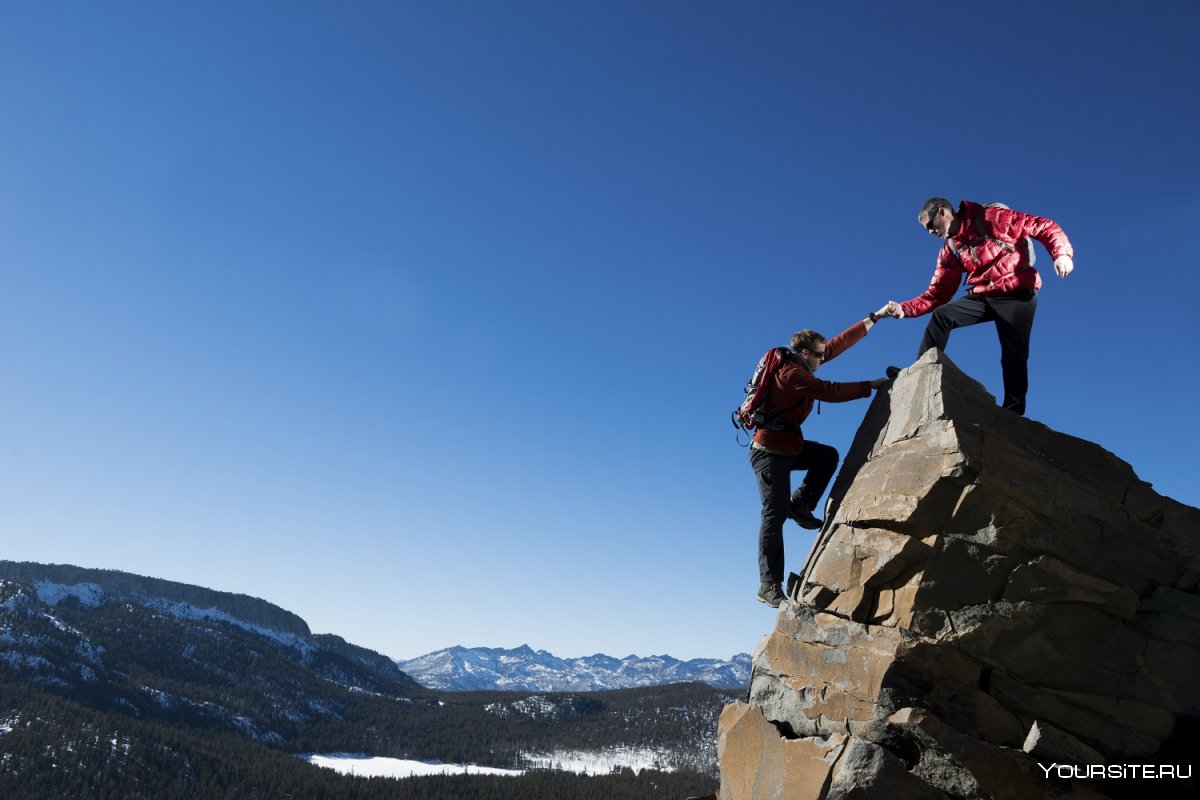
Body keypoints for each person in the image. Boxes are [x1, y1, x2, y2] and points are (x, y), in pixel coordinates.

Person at [881, 198, 1074, 415]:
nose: (930, 232)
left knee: (1014, 354)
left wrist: (1061, 254)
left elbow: (1044, 226)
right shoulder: (951, 249)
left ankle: (1013, 410)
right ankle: (919, 372)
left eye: (930, 225)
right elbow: (938, 293)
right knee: (942, 315)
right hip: (985, 297)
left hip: (1017, 294)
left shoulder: (991, 219)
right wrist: (904, 309)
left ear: (942, 212)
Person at [750, 311, 891, 608]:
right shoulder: (791, 374)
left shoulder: (804, 362)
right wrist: (871, 386)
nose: (822, 359)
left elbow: (837, 344)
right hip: (769, 453)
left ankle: (800, 504)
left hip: (788, 446)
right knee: (773, 516)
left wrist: (873, 319)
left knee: (827, 456)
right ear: (804, 353)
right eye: (818, 355)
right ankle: (768, 585)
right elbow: (828, 391)